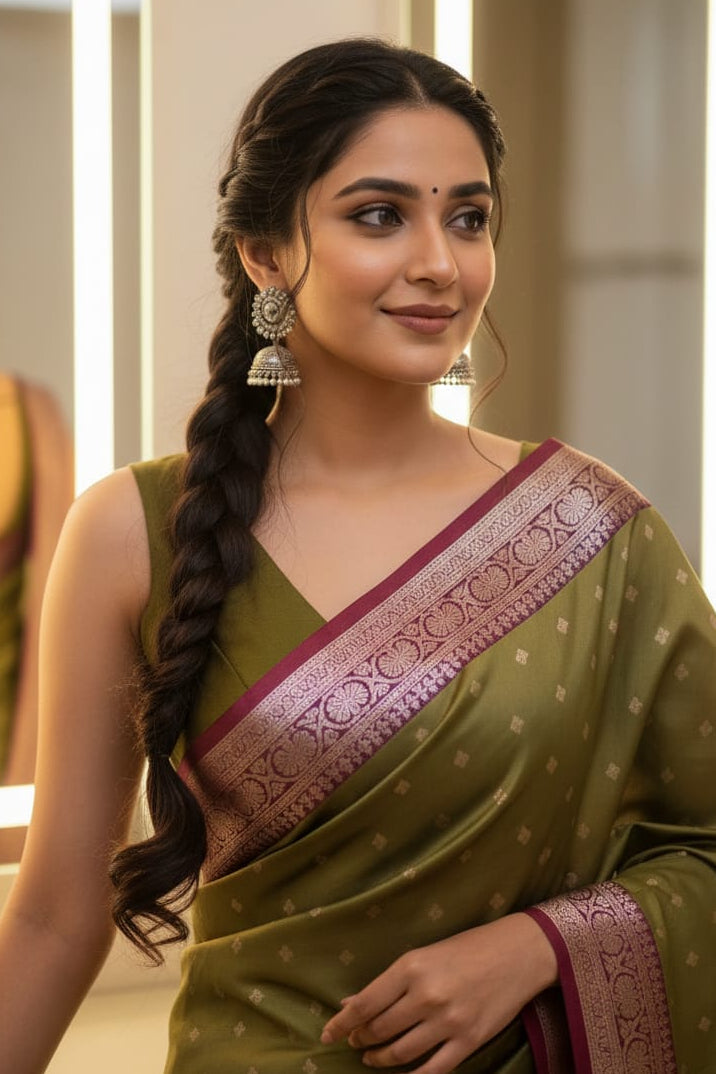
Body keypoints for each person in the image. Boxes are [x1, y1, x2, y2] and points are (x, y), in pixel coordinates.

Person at [0, 37, 714, 1074]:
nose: (439, 261)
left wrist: (536, 949)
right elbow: (55, 919)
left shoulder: (590, 532)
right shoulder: (134, 528)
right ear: (264, 254)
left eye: (466, 218)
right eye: (378, 215)